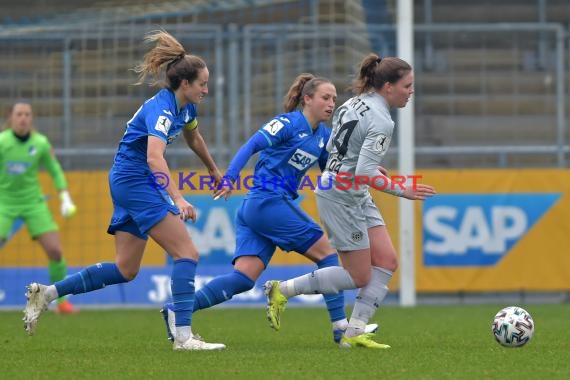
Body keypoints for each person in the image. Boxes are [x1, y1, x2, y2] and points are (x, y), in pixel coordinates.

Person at [22, 30, 226, 351]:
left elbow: (193, 138)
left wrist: (214, 170)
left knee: (125, 269)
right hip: (135, 179)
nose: (206, 88)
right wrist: (178, 197)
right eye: (202, 83)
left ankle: (47, 293)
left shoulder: (186, 108)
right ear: (184, 84)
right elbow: (154, 157)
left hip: (126, 179)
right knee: (187, 253)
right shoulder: (161, 110)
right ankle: (183, 337)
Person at [161, 73, 377, 344]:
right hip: (267, 202)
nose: (332, 103)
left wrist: (362, 177)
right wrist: (230, 177)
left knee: (243, 278)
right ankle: (341, 328)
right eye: (325, 97)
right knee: (328, 255)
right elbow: (251, 145)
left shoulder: (324, 136)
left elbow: (331, 175)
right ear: (306, 99)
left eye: (334, 98)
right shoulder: (288, 123)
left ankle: (177, 310)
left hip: (259, 210)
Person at [263, 54, 437, 349]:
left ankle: (354, 333)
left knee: (387, 261)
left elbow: (333, 146)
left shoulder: (354, 102)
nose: (411, 92)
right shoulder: (382, 120)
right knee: (359, 275)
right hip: (341, 195)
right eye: (407, 86)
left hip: (350, 189)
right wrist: (401, 189)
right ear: (388, 87)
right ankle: (282, 289)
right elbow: (365, 171)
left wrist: (357, 165)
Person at [0, 101, 78, 314]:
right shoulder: (2, 142)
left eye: (27, 114)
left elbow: (54, 170)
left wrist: (65, 198)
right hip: (4, 202)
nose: (23, 118)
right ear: (11, 118)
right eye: (19, 114)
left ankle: (61, 302)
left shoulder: (40, 143)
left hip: (33, 202)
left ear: (31, 118)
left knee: (55, 250)